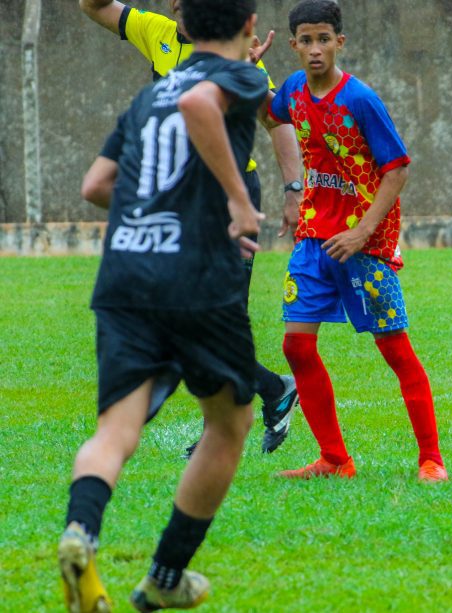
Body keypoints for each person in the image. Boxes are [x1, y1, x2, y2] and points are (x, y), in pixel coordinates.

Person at [58, 1, 269, 610]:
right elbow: (200, 106)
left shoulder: (146, 97)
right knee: (229, 424)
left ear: (182, 23)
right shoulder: (241, 76)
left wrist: (153, 212)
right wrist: (236, 200)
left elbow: (97, 185)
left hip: (125, 273)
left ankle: (80, 532)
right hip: (197, 276)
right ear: (250, 25)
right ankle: (165, 578)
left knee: (114, 432)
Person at [80, 0, 302, 454]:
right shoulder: (153, 31)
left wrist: (294, 189)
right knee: (194, 320)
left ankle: (223, 426)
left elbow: (277, 119)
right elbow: (94, 7)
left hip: (234, 192)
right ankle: (273, 390)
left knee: (219, 317)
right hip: (183, 198)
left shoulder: (238, 56)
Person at [257, 0, 448, 483]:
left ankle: (432, 460)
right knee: (296, 348)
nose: (315, 49)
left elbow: (397, 169)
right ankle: (335, 459)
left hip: (365, 246)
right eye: (306, 40)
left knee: (395, 351)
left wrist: (363, 231)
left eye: (325, 39)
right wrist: (248, 70)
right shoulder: (295, 88)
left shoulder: (360, 99)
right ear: (295, 44)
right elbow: (270, 115)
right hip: (314, 239)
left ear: (339, 43)